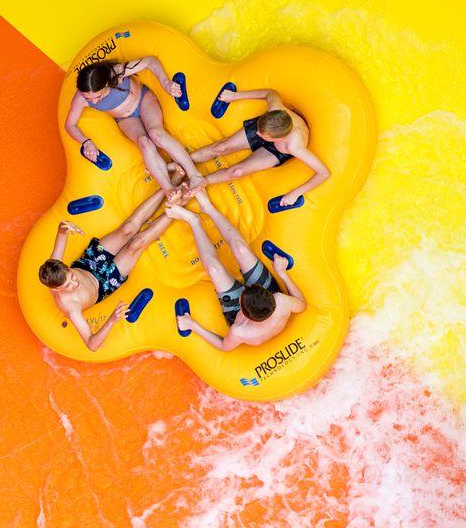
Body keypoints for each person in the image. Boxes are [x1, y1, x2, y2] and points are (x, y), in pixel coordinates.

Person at [38, 188, 179, 352]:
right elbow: (92, 345)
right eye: (68, 285)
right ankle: (178, 205)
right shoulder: (71, 307)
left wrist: (66, 226)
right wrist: (111, 320)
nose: (74, 282)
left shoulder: (55, 264)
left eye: (71, 276)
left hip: (90, 263)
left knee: (127, 228)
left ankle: (170, 187)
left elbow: (61, 230)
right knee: (136, 243)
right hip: (104, 284)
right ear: (56, 289)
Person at [167, 188, 306, 350]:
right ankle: (209, 208)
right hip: (259, 303)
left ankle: (193, 221)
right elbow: (302, 305)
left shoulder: (240, 331)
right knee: (241, 249)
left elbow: (224, 346)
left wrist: (192, 325)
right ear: (271, 297)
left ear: (241, 302)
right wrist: (282, 273)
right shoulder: (281, 301)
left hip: (237, 312)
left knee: (214, 270)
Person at [65, 58, 201, 192]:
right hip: (125, 119)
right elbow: (70, 125)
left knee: (156, 134)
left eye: (97, 96)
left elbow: (150, 61)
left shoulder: (116, 73)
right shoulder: (80, 98)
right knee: (144, 142)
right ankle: (169, 190)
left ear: (106, 84)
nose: (93, 102)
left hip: (143, 100)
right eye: (89, 98)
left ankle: (194, 175)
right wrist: (86, 142)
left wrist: (166, 83)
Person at [190, 87, 330, 208]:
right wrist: (235, 96)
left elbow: (323, 173)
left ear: (277, 139)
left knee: (237, 172)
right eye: (258, 131)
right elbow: (270, 93)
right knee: (221, 147)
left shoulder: (294, 147)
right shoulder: (276, 108)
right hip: (271, 129)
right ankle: (183, 161)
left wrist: (296, 193)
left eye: (260, 135)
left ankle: (202, 181)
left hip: (277, 149)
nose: (256, 134)